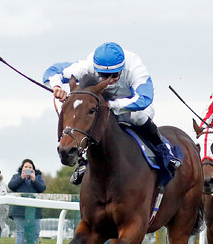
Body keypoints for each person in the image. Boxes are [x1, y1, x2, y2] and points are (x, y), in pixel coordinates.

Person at [44, 42, 180, 185]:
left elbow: (144, 98)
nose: (110, 80)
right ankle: (83, 161)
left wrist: (112, 105)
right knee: (75, 111)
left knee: (138, 117)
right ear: (96, 69)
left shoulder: (135, 66)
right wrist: (57, 86)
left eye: (115, 75)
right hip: (101, 107)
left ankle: (165, 151)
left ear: (122, 67)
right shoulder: (87, 66)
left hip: (131, 105)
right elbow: (52, 72)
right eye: (104, 75)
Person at [8, 158, 47, 244]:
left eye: (30, 167)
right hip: (19, 210)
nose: (28, 169)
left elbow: (42, 188)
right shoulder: (16, 176)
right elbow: (11, 186)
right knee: (21, 232)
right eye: (26, 167)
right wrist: (21, 178)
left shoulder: (38, 177)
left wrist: (34, 179)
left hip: (35, 211)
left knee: (35, 232)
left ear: (33, 169)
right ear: (22, 168)